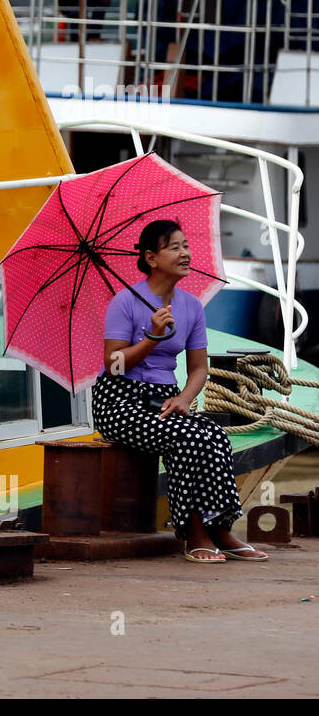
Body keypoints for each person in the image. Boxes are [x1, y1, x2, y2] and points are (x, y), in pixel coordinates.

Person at [90, 219, 268, 562]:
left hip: (165, 399)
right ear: (151, 258)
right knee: (189, 438)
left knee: (215, 435)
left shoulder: (191, 306)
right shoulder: (124, 302)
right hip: (119, 401)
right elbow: (113, 364)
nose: (185, 253)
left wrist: (185, 398)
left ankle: (220, 528)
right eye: (175, 247)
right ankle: (194, 533)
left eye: (186, 246)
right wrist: (152, 337)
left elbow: (199, 367)